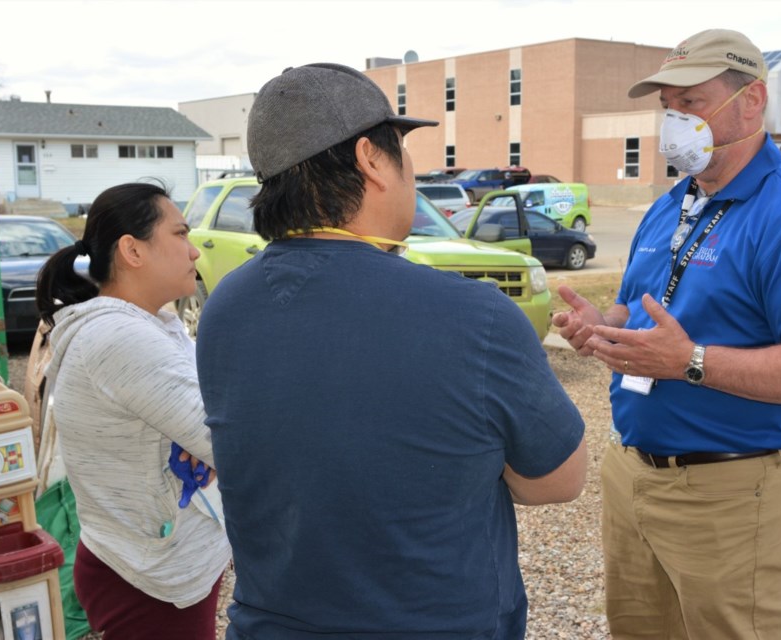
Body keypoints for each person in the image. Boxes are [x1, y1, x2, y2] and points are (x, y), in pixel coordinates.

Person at [195, 62, 588, 638]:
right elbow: (559, 480)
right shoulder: (473, 316)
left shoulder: (227, 305)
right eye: (402, 150)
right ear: (370, 160)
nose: (411, 169)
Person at [553, 29, 781, 638]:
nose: (674, 120)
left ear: (752, 100)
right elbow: (639, 310)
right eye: (667, 106)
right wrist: (603, 327)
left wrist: (690, 362)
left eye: (691, 103)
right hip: (632, 475)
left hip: (731, 491)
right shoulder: (672, 203)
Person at [35, 182, 231, 640]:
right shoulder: (119, 338)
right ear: (132, 250)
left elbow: (213, 417)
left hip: (160, 562)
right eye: (180, 234)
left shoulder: (156, 324)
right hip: (148, 579)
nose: (195, 252)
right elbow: (229, 438)